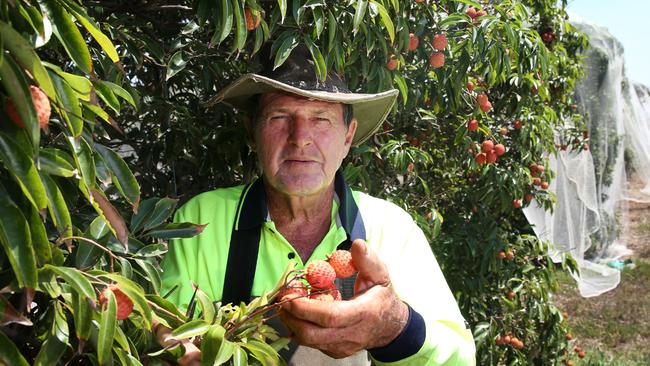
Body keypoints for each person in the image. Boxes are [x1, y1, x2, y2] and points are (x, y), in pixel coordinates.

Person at [156, 45, 476, 365]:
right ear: (252, 133)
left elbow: (459, 357)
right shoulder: (200, 220)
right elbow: (170, 328)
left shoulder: (391, 228)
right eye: (280, 116)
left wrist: (394, 328)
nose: (300, 137)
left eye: (321, 119)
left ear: (348, 136)